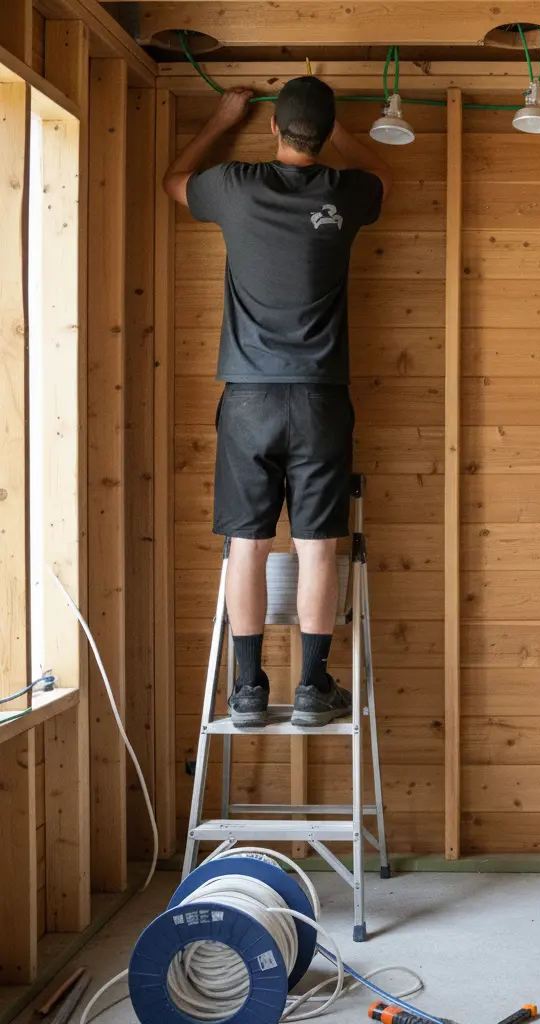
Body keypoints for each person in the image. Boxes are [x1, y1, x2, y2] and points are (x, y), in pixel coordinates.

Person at [163, 78, 392, 727]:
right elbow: (383, 174)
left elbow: (175, 181)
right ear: (324, 136)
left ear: (271, 129)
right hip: (320, 401)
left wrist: (220, 118)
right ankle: (314, 688)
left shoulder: (234, 186)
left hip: (249, 401)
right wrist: (339, 131)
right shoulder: (346, 193)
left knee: (247, 545)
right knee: (319, 547)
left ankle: (246, 690)